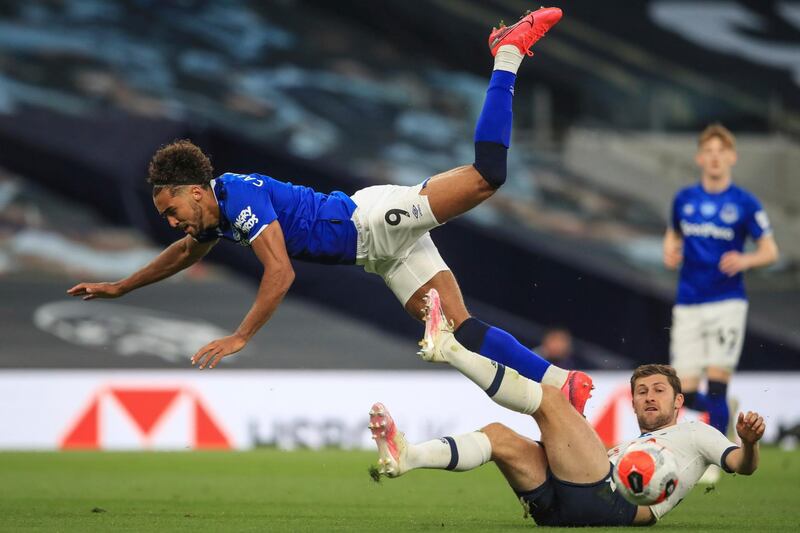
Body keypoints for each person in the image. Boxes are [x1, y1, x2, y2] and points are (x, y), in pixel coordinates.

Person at [65, 8, 592, 411]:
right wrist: (120, 287)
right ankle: (561, 383)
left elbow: (280, 271)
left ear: (196, 190)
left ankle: (507, 52)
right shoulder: (214, 216)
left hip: (373, 220)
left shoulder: (239, 200)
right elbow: (182, 253)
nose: (173, 221)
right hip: (381, 256)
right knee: (461, 332)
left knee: (487, 178)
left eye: (172, 208)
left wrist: (241, 335)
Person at [368, 289, 765, 527]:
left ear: (679, 401)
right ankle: (409, 456)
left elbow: (742, 466)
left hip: (619, 505)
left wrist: (748, 443)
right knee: (498, 437)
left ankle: (450, 349)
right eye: (641, 391)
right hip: (562, 506)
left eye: (658, 390)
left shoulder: (695, 434)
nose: (648, 397)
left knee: (553, 400)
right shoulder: (635, 445)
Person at [662, 124, 779, 442]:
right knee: (683, 390)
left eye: (721, 152)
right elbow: (673, 232)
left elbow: (770, 251)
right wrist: (669, 249)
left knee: (716, 383)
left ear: (732, 157)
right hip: (688, 301)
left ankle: (718, 457)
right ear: (700, 158)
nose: (715, 158)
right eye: (709, 152)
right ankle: (723, 409)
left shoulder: (745, 203)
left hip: (727, 301)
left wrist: (745, 260)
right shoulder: (684, 199)